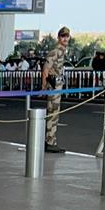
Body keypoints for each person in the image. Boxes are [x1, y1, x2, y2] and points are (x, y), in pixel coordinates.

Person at [41, 25, 71, 153]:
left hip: (57, 85)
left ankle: (50, 140)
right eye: (62, 36)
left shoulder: (62, 51)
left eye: (67, 36)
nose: (65, 39)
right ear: (59, 38)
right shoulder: (55, 51)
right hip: (53, 86)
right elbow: (45, 70)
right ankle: (50, 141)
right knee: (52, 114)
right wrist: (43, 87)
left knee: (54, 114)